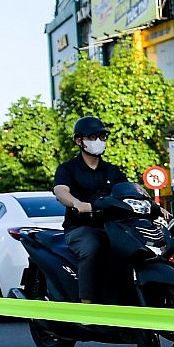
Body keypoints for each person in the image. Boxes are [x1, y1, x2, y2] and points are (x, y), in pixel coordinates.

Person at [53, 116, 128, 303]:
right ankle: (87, 304)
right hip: (81, 228)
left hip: (113, 227)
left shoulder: (113, 171)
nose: (98, 142)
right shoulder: (68, 169)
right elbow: (60, 191)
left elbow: (129, 191)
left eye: (102, 137)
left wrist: (154, 206)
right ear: (79, 141)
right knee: (91, 248)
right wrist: (77, 203)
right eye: (93, 137)